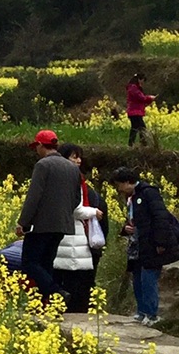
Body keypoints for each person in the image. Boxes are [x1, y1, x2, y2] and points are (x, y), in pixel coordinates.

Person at [16, 130, 83, 301]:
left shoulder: (43, 165)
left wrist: (23, 222)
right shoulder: (72, 168)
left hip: (41, 225)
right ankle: (46, 303)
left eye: (36, 146)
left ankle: (56, 292)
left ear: (40, 145)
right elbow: (76, 198)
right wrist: (64, 212)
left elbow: (34, 197)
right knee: (46, 263)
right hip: (62, 225)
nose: (35, 150)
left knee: (29, 263)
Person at [112, 167, 179, 326]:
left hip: (151, 244)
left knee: (148, 278)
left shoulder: (148, 193)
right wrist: (125, 229)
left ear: (128, 182)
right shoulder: (131, 198)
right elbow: (134, 220)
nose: (118, 189)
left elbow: (161, 218)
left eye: (119, 185)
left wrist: (161, 242)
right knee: (137, 279)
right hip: (137, 245)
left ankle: (152, 314)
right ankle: (141, 312)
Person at [50, 143, 104, 313]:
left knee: (64, 276)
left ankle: (64, 309)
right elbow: (75, 209)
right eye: (74, 156)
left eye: (79, 156)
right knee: (77, 277)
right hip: (73, 236)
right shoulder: (72, 179)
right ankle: (75, 312)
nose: (79, 160)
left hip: (64, 235)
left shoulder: (55, 178)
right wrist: (94, 211)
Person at [126, 73, 157, 146]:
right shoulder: (133, 88)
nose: (143, 82)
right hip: (135, 112)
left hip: (135, 111)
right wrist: (150, 98)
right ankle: (141, 144)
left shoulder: (133, 87)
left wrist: (149, 100)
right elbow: (141, 98)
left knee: (137, 128)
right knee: (141, 128)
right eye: (142, 80)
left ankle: (135, 144)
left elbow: (141, 100)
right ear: (139, 79)